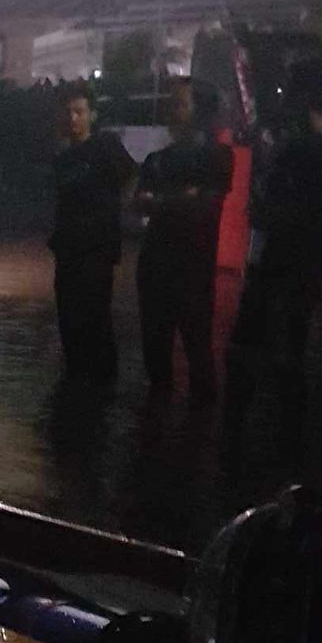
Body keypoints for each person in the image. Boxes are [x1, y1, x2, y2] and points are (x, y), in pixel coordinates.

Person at [226, 59, 322, 468]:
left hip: (283, 271)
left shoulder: (307, 155)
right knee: (283, 356)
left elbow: (295, 215)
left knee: (264, 356)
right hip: (298, 272)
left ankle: (253, 448)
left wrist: (267, 213)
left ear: (303, 98)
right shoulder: (318, 154)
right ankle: (285, 450)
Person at [135, 78, 233, 402]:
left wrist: (162, 200)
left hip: (192, 270)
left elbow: (201, 206)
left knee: (198, 354)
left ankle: (198, 435)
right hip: (156, 269)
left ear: (199, 111)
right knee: (156, 357)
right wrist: (180, 198)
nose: (173, 112)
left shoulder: (217, 157)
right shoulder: (158, 159)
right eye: (172, 103)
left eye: (181, 104)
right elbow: (141, 201)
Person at [49, 83, 137, 386]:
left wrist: (113, 213)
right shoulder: (62, 159)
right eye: (68, 112)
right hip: (68, 250)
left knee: (96, 319)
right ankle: (77, 382)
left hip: (96, 251)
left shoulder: (104, 146)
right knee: (69, 320)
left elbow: (131, 177)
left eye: (79, 112)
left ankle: (100, 385)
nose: (73, 119)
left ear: (92, 115)